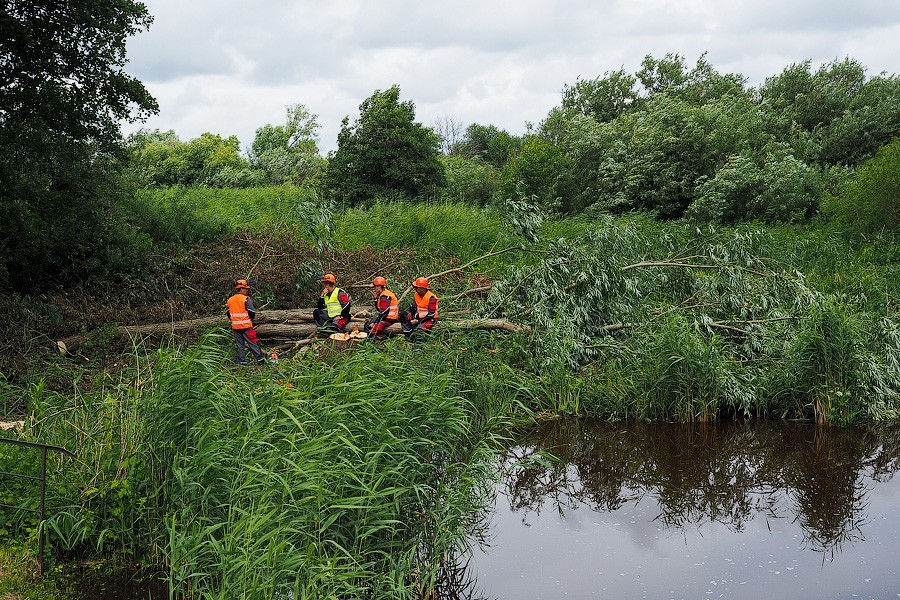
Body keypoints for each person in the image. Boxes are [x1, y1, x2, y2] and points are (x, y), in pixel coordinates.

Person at [226, 279, 266, 365]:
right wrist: (250, 319)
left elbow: (228, 313)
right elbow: (252, 312)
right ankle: (260, 360)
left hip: (236, 327)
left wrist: (234, 321)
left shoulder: (230, 300)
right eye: (246, 289)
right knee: (253, 342)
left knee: (240, 345)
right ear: (241, 289)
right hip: (247, 326)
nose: (247, 291)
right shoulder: (245, 299)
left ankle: (242, 362)